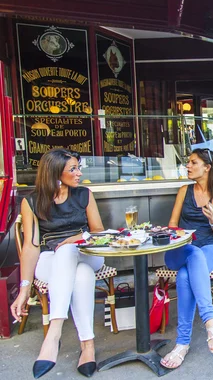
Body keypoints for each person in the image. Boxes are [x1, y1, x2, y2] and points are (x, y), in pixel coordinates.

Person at [11, 148, 104, 378]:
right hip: (51, 260)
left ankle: (54, 333)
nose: (79, 173)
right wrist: (24, 288)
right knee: (80, 273)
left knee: (69, 250)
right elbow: (32, 247)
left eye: (78, 167)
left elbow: (99, 232)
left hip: (87, 251)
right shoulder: (32, 201)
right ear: (54, 173)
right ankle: (88, 346)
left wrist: (74, 239)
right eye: (73, 169)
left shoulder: (84, 194)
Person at [160, 148, 213, 369]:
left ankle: (182, 344)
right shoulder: (184, 191)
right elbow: (171, 225)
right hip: (181, 248)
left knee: (184, 276)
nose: (188, 166)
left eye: (193, 163)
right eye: (188, 163)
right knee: (193, 254)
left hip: (208, 247)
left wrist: (212, 220)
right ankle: (211, 323)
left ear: (207, 168)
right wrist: (182, 236)